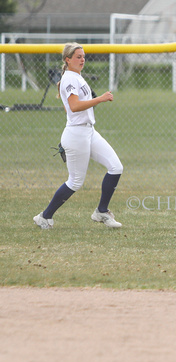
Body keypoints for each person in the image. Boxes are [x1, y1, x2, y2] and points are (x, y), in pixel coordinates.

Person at [33, 42, 123, 229]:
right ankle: (45, 216)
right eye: (77, 57)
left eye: (83, 56)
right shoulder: (69, 78)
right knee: (75, 182)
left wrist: (93, 101)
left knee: (116, 167)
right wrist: (100, 98)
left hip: (88, 131)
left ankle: (101, 211)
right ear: (67, 59)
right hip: (76, 135)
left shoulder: (76, 77)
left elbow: (74, 106)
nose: (82, 59)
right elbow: (74, 106)